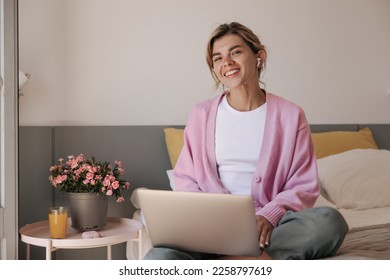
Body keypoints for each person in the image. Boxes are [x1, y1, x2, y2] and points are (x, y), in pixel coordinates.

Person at [144, 22, 348, 260]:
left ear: (258, 57)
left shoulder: (291, 115)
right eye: (218, 58)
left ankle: (230, 259)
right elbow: (186, 179)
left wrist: (269, 215)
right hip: (211, 227)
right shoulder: (201, 114)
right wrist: (212, 217)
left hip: (269, 228)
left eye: (236, 52)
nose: (226, 62)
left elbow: (302, 186)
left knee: (329, 222)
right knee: (159, 258)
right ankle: (252, 259)